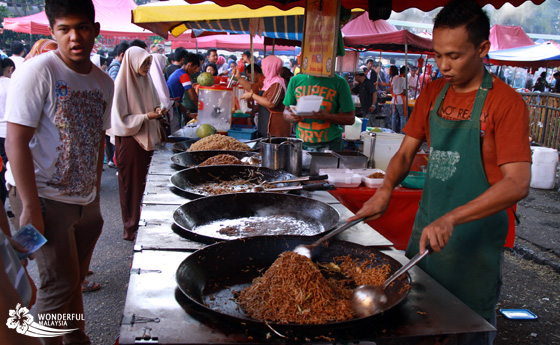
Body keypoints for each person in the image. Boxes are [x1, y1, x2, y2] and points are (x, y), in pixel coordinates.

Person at [349, 1, 532, 344]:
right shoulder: (433, 92)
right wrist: (386, 188)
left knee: (465, 328)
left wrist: (453, 219)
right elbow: (405, 153)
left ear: (482, 49)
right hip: (427, 233)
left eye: (454, 56)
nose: (443, 65)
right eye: (437, 55)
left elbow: (518, 183)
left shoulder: (506, 104)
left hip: (474, 244)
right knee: (415, 320)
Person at [5, 0, 114, 343]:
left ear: (95, 30)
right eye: (64, 29)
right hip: (42, 197)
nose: (74, 37)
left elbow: (97, 142)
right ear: (52, 32)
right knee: (59, 285)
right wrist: (30, 208)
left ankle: (76, 338)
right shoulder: (38, 72)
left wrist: (93, 200)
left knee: (74, 279)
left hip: (84, 200)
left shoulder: (103, 82)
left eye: (81, 27)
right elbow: (15, 143)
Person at [110, 47, 167, 241]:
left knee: (147, 184)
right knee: (131, 186)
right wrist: (146, 116)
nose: (147, 67)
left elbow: (154, 103)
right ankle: (131, 227)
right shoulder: (121, 85)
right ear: (133, 62)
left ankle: (145, 223)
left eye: (149, 63)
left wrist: (158, 110)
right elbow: (119, 119)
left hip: (148, 138)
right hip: (131, 140)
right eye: (144, 63)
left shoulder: (147, 80)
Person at [283, 71, 355, 151]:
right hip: (302, 144)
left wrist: (327, 116)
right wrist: (289, 116)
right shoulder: (295, 80)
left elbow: (350, 118)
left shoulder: (340, 82)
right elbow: (285, 111)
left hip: (331, 144)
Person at [236, 56, 291, 137]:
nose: (261, 67)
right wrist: (238, 77)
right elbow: (252, 88)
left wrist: (252, 95)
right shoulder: (267, 81)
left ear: (270, 67)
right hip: (265, 124)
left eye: (263, 65)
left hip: (276, 128)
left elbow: (270, 103)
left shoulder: (277, 83)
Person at [167, 52, 199, 125]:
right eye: (194, 69)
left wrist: (188, 113)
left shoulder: (178, 72)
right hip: (171, 110)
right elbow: (193, 97)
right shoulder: (183, 75)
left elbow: (178, 102)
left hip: (173, 107)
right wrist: (203, 109)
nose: (194, 72)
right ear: (189, 64)